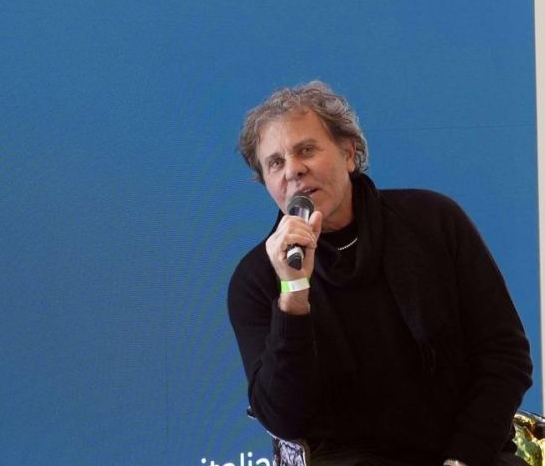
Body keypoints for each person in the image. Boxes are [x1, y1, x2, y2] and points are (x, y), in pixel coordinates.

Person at [227, 81, 533, 466]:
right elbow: (284, 418)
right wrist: (294, 292)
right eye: (275, 163)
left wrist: (462, 458)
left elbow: (504, 355)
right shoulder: (256, 279)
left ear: (348, 154)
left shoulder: (434, 221)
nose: (293, 170)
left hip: (467, 453)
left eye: (306, 150)